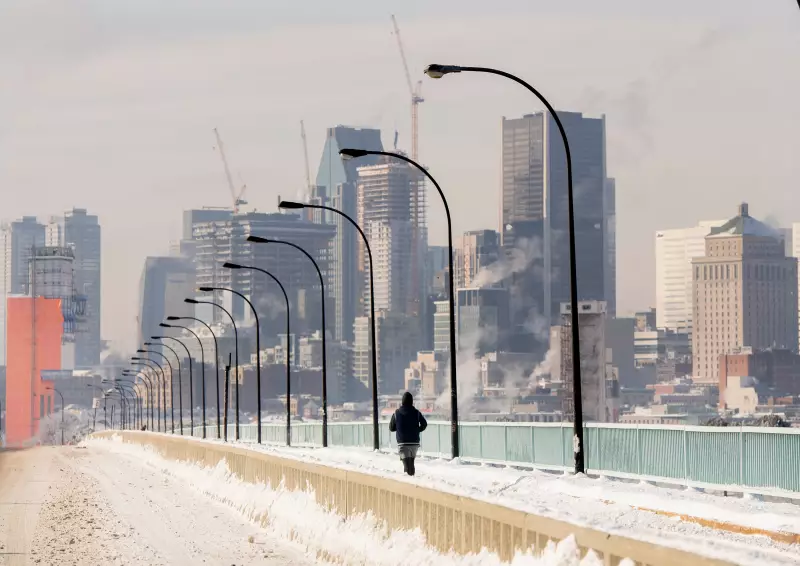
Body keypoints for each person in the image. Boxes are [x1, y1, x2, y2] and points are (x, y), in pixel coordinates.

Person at [388, 392, 427, 476]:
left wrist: (399, 428)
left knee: (406, 464)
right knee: (411, 462)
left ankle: (409, 481)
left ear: (402, 402)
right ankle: (412, 478)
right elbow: (424, 424)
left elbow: (391, 428)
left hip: (403, 443)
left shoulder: (396, 413)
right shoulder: (417, 413)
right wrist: (417, 430)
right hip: (414, 443)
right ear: (412, 402)